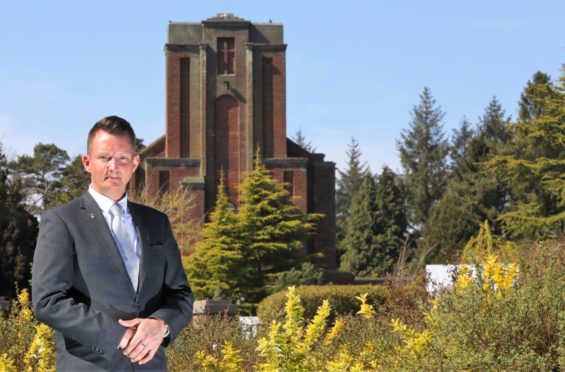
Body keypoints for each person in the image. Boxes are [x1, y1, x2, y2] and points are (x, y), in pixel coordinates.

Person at [32, 116, 193, 371]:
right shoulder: (62, 221)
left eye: (122, 159)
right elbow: (48, 301)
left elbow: (180, 294)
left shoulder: (157, 223)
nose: (113, 167)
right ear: (87, 162)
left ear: (135, 163)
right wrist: (117, 335)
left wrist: (161, 324)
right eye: (104, 158)